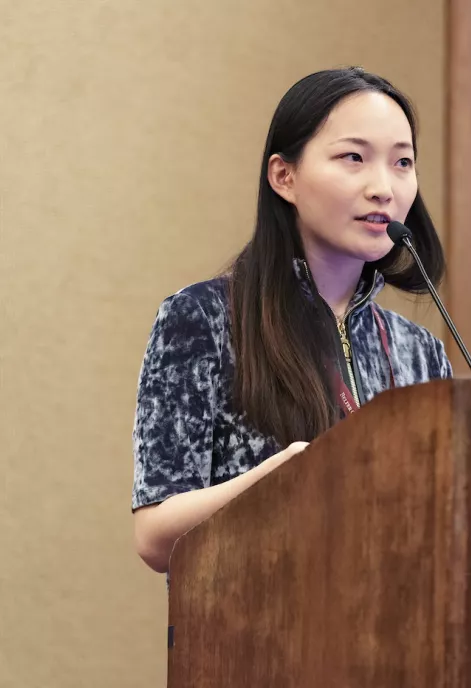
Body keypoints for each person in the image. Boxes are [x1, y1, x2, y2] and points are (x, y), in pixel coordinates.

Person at [130, 67, 452, 573]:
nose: (383, 188)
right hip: (251, 641)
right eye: (353, 157)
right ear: (284, 176)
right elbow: (155, 537)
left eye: (403, 162)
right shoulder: (204, 319)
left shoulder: (421, 353)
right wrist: (277, 480)